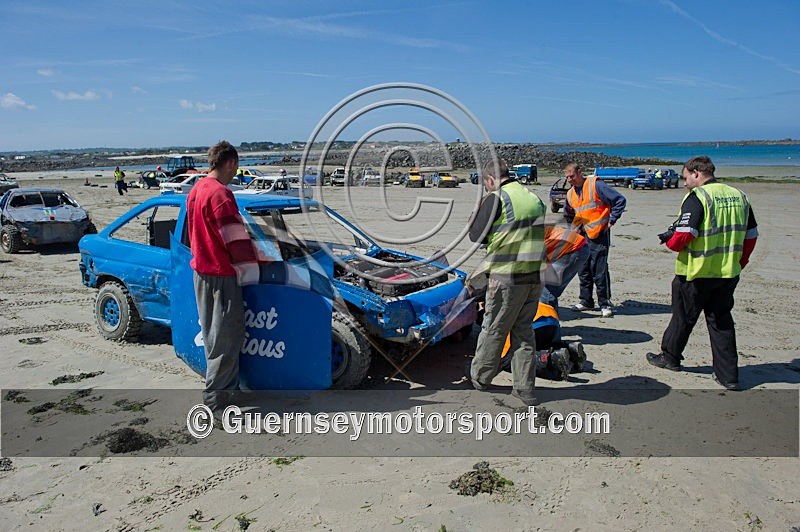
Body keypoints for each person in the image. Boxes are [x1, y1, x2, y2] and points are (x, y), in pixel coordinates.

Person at [646, 156, 758, 391]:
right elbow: (751, 236)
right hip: (727, 272)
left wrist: (669, 241)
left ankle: (670, 357)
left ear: (697, 173)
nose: (684, 183)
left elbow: (683, 236)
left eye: (686, 177)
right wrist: (740, 261)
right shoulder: (740, 196)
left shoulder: (698, 198)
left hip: (695, 272)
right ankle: (728, 376)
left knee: (683, 317)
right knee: (721, 322)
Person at [186, 140, 261, 413]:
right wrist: (253, 266)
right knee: (225, 340)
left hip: (202, 272)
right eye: (236, 167)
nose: (235, 172)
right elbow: (235, 240)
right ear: (230, 163)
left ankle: (228, 393)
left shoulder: (196, 190)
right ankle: (214, 404)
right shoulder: (220, 194)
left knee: (214, 337)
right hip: (220, 275)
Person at [466, 158, 546, 406]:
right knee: (523, 331)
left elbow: (474, 234)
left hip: (507, 274)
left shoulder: (496, 198)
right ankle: (524, 389)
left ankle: (480, 377)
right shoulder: (533, 197)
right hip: (534, 273)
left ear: (490, 179)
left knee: (495, 328)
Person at [563, 163, 627, 317]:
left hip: (599, 234)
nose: (570, 179)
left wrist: (612, 219)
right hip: (582, 235)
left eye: (572, 176)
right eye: (567, 177)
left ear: (580, 172)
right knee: (583, 269)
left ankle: (604, 303)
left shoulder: (595, 185)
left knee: (599, 269)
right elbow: (568, 213)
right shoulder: (570, 194)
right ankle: (586, 300)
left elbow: (619, 200)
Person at [540, 222, 590, 310]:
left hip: (574, 249)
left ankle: (547, 320)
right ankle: (548, 314)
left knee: (548, 286)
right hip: (575, 246)